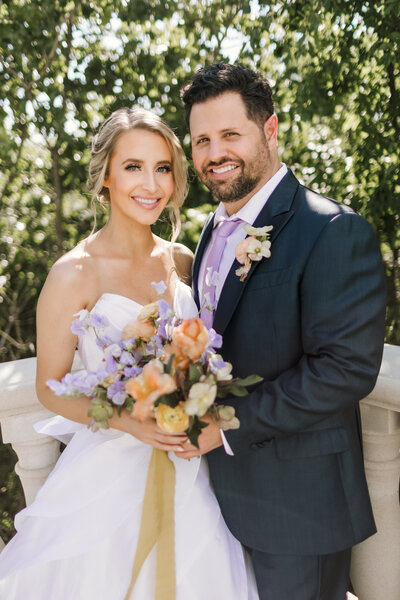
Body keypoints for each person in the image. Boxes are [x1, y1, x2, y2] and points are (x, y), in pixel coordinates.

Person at [0, 107, 258, 599]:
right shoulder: (73, 273)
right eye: (133, 166)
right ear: (105, 177)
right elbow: (50, 387)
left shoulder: (183, 259)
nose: (151, 184)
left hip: (190, 464)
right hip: (108, 472)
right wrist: (129, 421)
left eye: (162, 168)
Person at [177, 63, 387, 600]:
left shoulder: (332, 230)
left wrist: (222, 427)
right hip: (219, 499)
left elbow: (344, 371)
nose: (214, 152)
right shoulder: (212, 230)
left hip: (299, 512)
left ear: (269, 131)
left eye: (230, 134)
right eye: (202, 139)